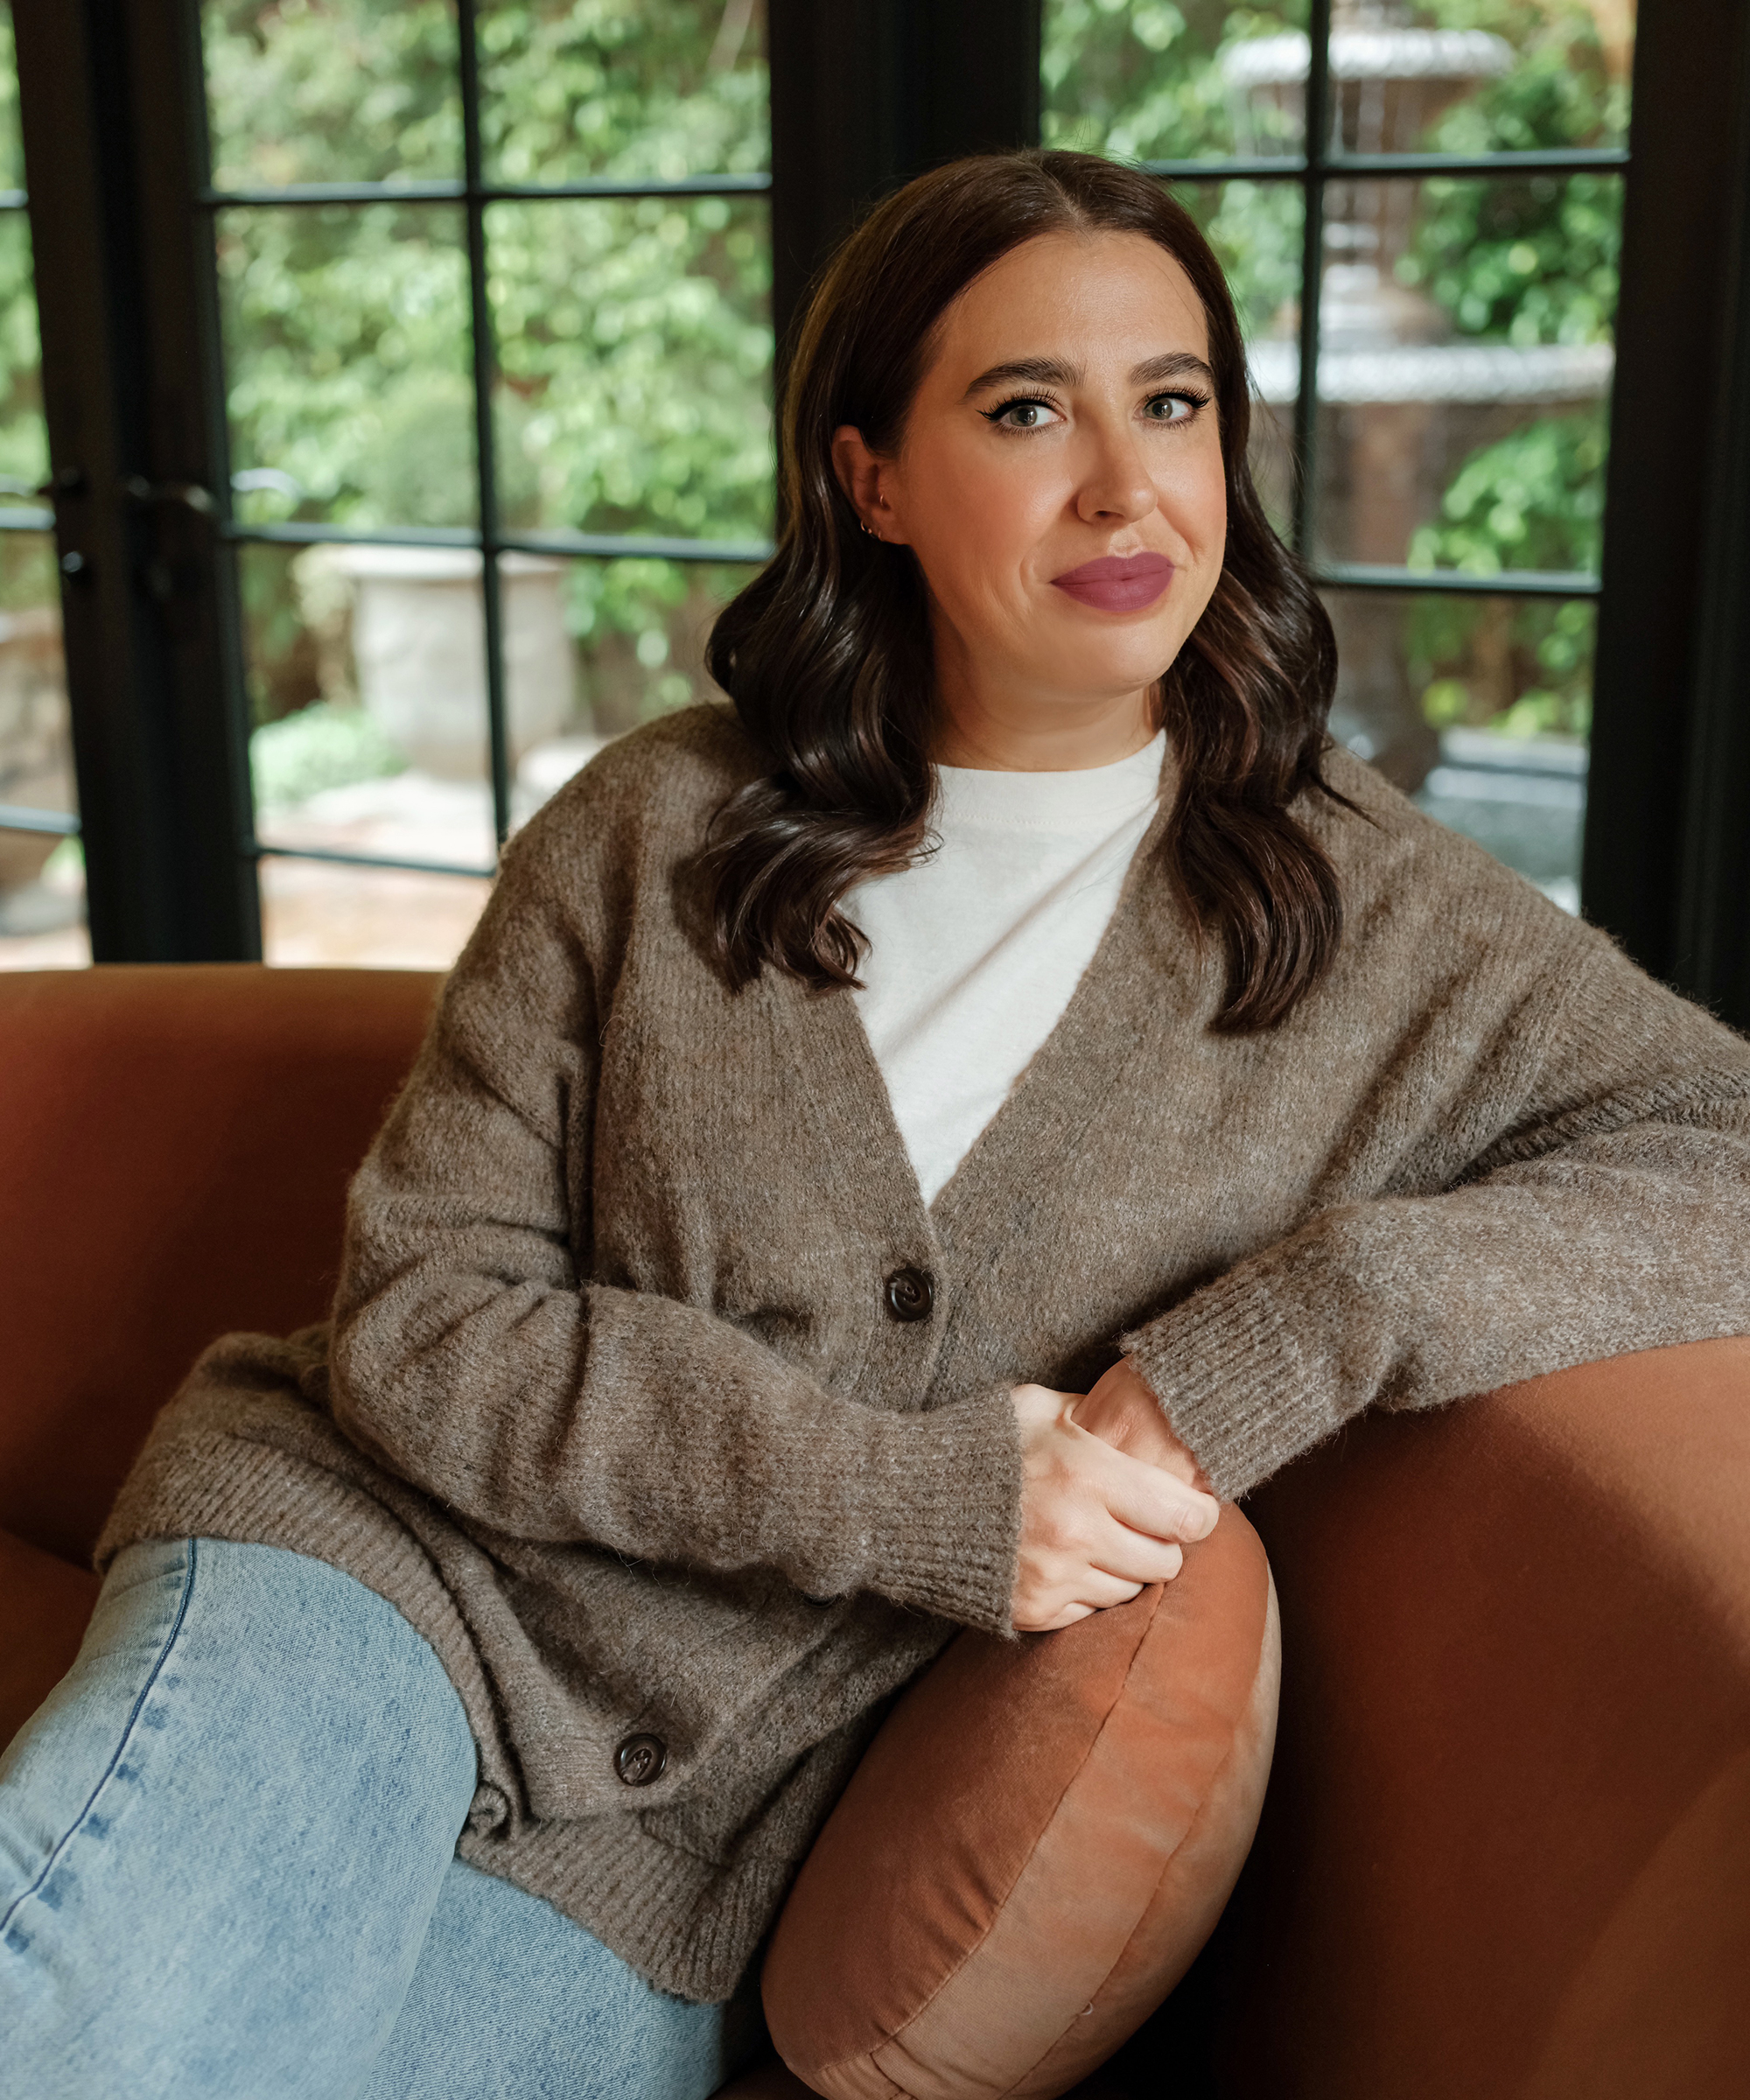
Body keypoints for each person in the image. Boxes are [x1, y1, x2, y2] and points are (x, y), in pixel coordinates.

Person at [4, 149, 1748, 2100]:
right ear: (873, 479)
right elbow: (428, 1327)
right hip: (361, 1580)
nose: (1123, 486)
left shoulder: (1368, 916)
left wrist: (1301, 1325)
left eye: (1172, 404)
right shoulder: (653, 826)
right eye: (1027, 410)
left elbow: (1725, 1147)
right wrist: (915, 1499)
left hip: (678, 1855)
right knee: (98, 2022)